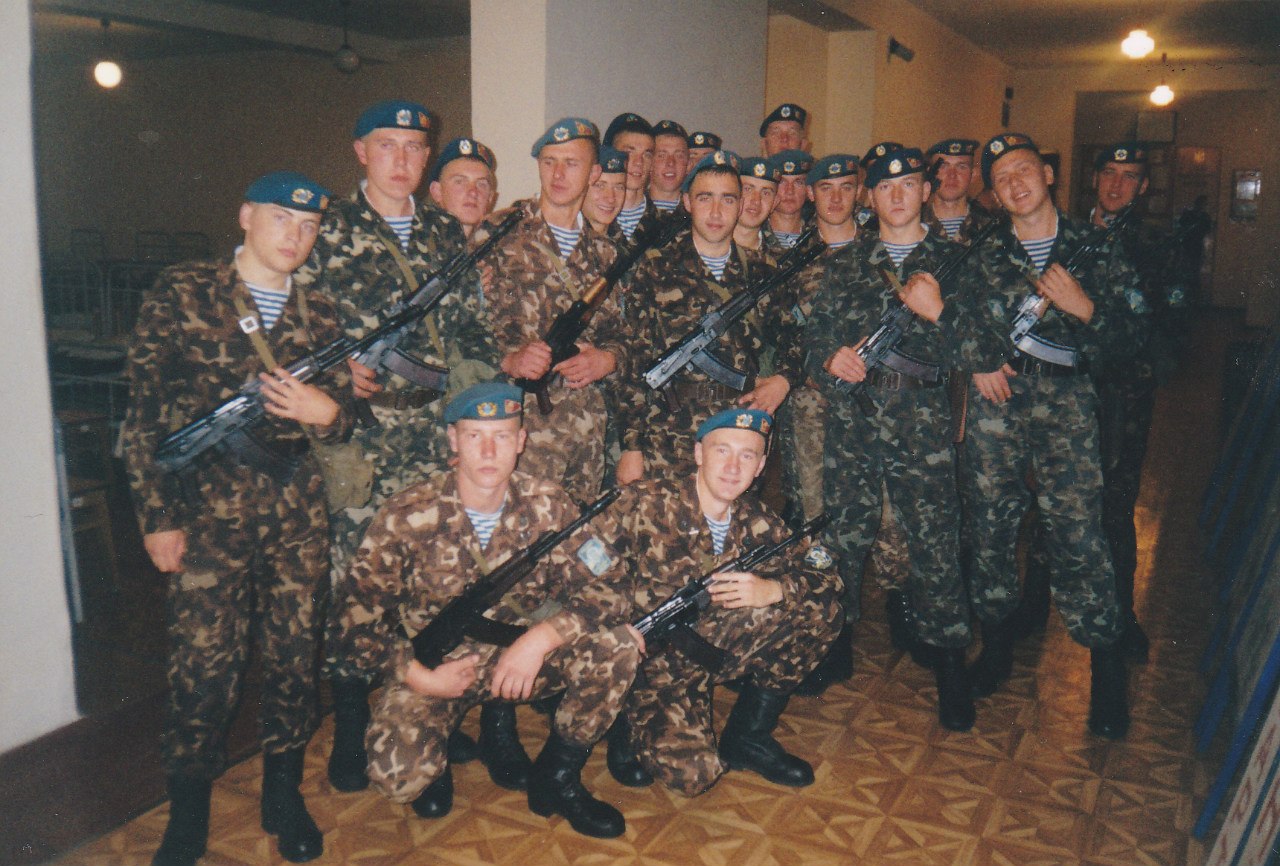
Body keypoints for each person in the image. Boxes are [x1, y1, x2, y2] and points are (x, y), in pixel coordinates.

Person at [124, 171, 349, 866]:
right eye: (282, 218)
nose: (295, 236)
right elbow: (144, 412)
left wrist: (330, 412)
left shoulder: (321, 312)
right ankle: (187, 814)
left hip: (297, 513)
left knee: (294, 659)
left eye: (309, 226)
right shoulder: (184, 292)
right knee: (202, 666)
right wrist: (157, 516)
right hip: (206, 515)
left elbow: (347, 412)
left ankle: (283, 795)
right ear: (246, 215)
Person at [295, 100, 500, 796]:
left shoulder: (445, 231)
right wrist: (331, 373)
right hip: (362, 436)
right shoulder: (327, 229)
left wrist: (466, 421)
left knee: (434, 576)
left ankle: (423, 716)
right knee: (357, 581)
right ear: (361, 151)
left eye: (415, 147)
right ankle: (352, 727)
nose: (403, 160)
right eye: (388, 145)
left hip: (435, 430)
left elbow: (472, 332)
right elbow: (291, 326)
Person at [339, 382, 641, 838]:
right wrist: (420, 678)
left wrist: (542, 638)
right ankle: (439, 747)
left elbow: (614, 584)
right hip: (437, 667)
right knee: (397, 775)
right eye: (474, 435)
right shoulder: (407, 514)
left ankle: (556, 777)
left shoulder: (549, 504)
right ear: (453, 440)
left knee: (619, 646)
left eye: (501, 436)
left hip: (520, 658)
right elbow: (354, 623)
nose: (487, 450)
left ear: (521, 441)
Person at [936, 133, 1148, 739]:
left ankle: (1106, 674)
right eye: (1002, 178)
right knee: (991, 529)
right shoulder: (983, 248)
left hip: (1066, 402)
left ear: (1048, 175)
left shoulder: (1094, 245)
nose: (1015, 184)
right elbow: (955, 319)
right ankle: (998, 648)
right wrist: (977, 360)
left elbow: (1138, 341)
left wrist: (1085, 309)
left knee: (1079, 534)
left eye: (1024, 170)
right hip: (997, 403)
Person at [804, 148, 976, 730]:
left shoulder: (955, 261)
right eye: (884, 187)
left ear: (926, 190)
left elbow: (982, 348)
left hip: (920, 415)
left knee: (934, 540)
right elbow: (814, 338)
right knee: (844, 533)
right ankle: (835, 645)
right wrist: (830, 357)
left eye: (907, 184)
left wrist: (939, 312)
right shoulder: (847, 262)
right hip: (853, 418)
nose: (896, 195)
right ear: (869, 196)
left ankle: (950, 664)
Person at [598, 408, 843, 796]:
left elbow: (825, 573)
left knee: (820, 611)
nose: (733, 467)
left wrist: (775, 590)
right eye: (722, 450)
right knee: (695, 776)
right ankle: (627, 720)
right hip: (645, 662)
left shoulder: (758, 521)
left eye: (747, 455)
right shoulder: (642, 504)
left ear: (760, 466)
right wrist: (613, 627)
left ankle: (748, 737)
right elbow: (579, 570)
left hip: (706, 648)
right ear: (698, 453)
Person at [1020, 142, 1188, 660]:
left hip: (1121, 399)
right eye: (1109, 173)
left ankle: (1120, 618)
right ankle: (1033, 605)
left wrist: (1103, 331)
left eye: (1129, 176)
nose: (1116, 185)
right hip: (1060, 393)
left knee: (1114, 508)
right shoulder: (1063, 236)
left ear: (1144, 186)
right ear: (1094, 178)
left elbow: (1166, 340)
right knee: (1048, 501)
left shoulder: (1156, 248)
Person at [617, 150, 798, 483]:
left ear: (740, 205)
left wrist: (782, 381)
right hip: (667, 436)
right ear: (687, 202)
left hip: (739, 432)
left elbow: (797, 339)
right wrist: (631, 447)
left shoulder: (762, 272)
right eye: (705, 198)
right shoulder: (655, 269)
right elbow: (632, 361)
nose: (716, 212)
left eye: (728, 199)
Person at [475, 117, 629, 504]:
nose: (558, 174)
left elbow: (624, 334)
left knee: (578, 531)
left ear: (594, 173)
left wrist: (608, 359)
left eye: (571, 163)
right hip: (518, 428)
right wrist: (509, 359)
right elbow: (461, 326)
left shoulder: (606, 253)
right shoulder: (497, 233)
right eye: (549, 162)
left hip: (587, 430)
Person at [602, 112, 662, 244]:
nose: (639, 162)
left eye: (647, 154)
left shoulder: (667, 226)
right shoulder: (587, 221)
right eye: (629, 152)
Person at [923, 138, 995, 243]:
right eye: (943, 166)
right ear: (930, 173)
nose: (952, 175)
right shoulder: (913, 224)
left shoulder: (992, 227)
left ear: (973, 174)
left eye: (961, 167)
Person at [428, 136, 499, 239]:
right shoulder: (416, 244)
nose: (473, 192)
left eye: (481, 184)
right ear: (437, 191)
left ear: (490, 197)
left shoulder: (500, 245)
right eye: (459, 182)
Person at [764, 149, 814, 253]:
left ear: (808, 190)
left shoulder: (818, 237)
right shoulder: (756, 236)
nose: (790, 191)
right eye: (782, 182)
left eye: (798, 182)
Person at [733, 156, 780, 253]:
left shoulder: (780, 259)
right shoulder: (707, 249)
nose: (756, 200)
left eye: (766, 193)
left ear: (774, 203)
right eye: (747, 189)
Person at [582, 146, 628, 236]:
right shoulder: (563, 239)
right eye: (599, 186)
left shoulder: (624, 242)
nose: (611, 198)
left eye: (618, 187)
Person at [649, 119, 691, 213]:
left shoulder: (699, 211)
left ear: (688, 165)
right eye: (661, 156)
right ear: (649, 163)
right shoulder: (628, 209)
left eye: (679, 156)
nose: (671, 162)